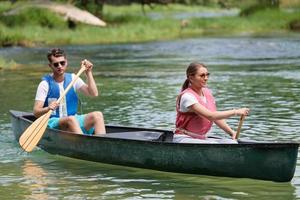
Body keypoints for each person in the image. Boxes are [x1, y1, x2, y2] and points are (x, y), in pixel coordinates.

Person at [33, 48, 106, 135]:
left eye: (62, 63)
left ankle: (101, 143)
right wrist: (48, 108)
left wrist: (88, 73)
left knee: (98, 115)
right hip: (53, 121)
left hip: (73, 119)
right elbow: (36, 112)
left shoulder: (73, 78)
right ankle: (84, 145)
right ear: (50, 66)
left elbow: (94, 93)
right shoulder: (44, 84)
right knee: (71, 119)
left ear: (66, 62)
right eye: (56, 64)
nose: (60, 66)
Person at [174, 62, 249, 143]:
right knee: (214, 144)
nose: (206, 78)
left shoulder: (207, 93)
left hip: (200, 139)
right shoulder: (187, 97)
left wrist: (231, 132)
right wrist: (236, 112)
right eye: (202, 75)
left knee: (231, 142)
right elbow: (211, 116)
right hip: (184, 138)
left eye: (207, 75)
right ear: (191, 78)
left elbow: (216, 117)